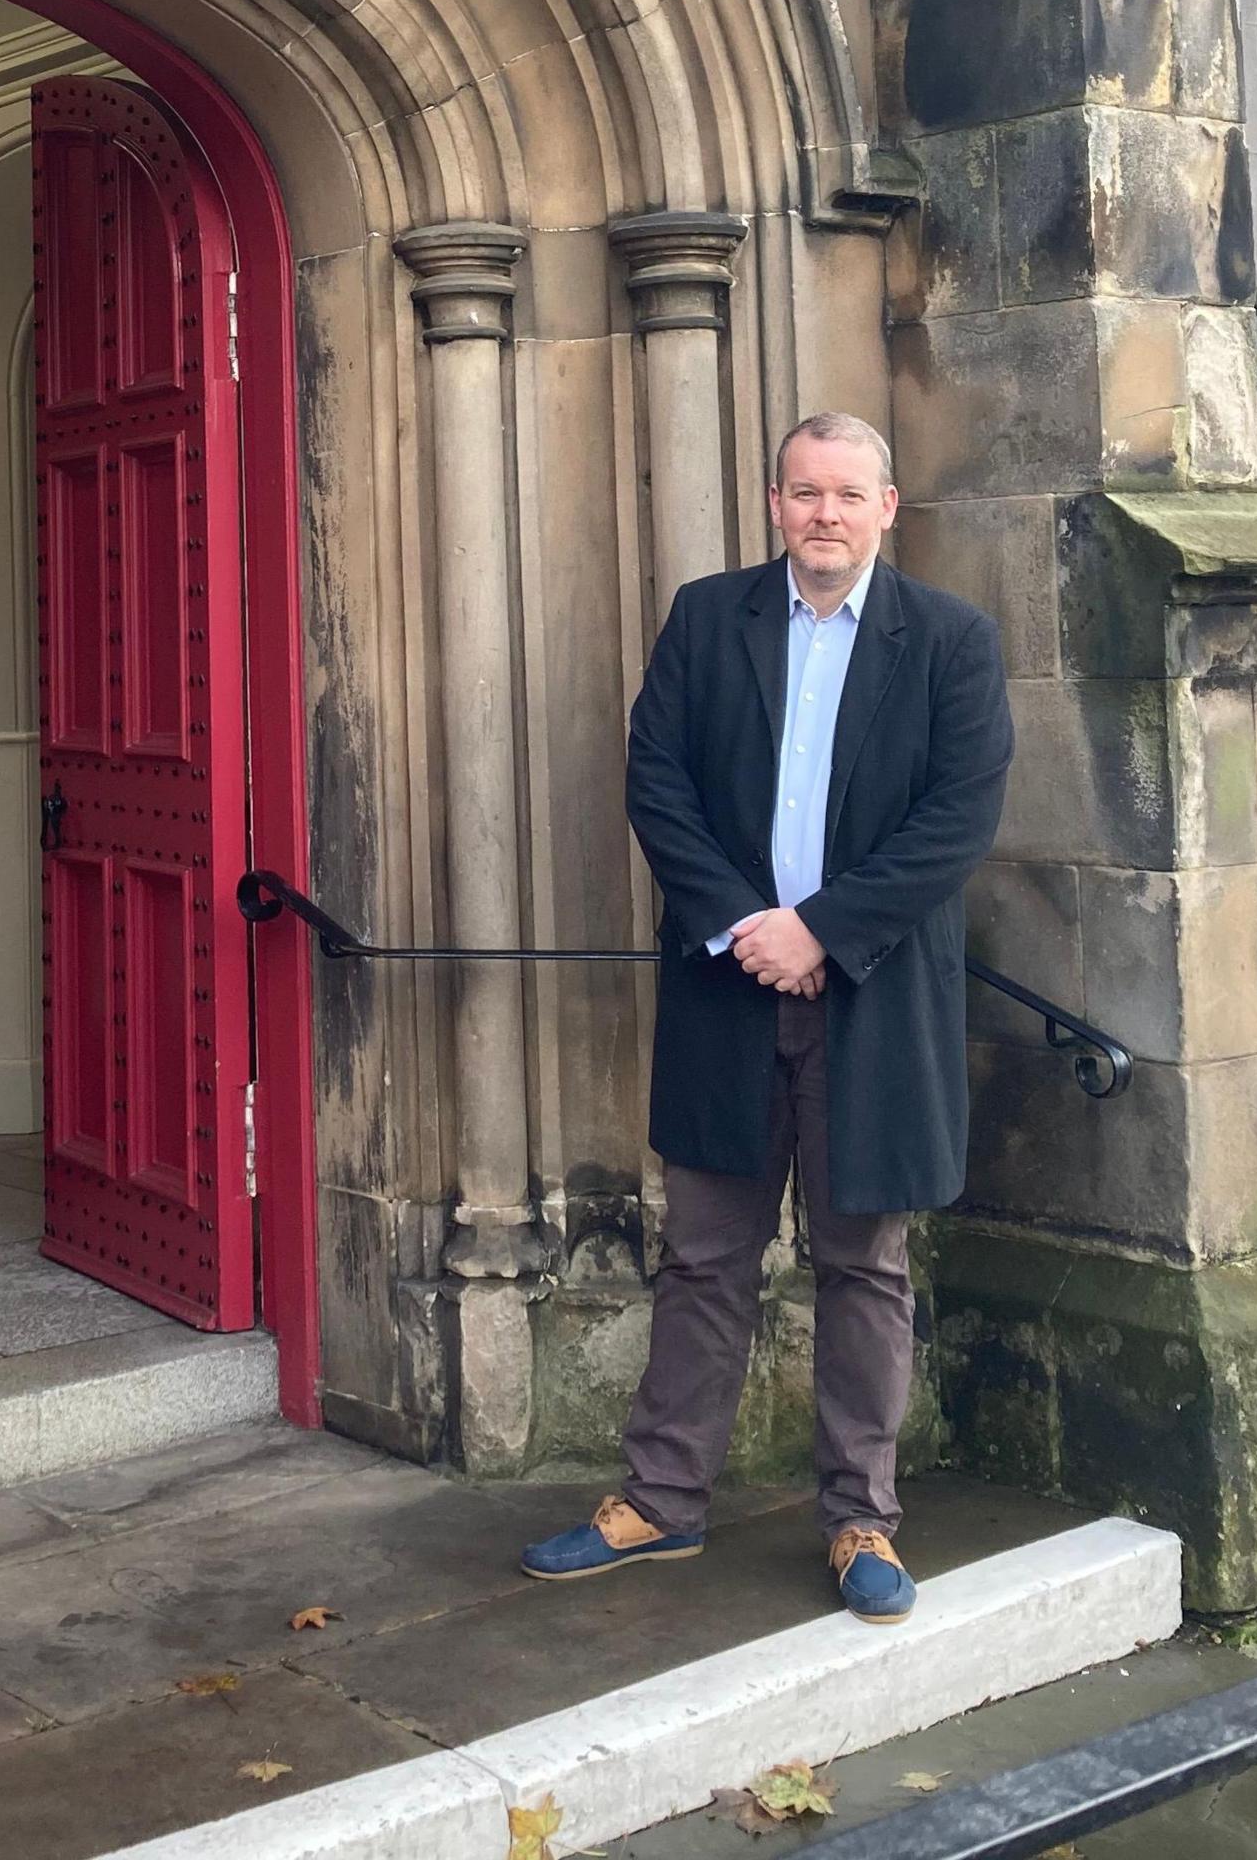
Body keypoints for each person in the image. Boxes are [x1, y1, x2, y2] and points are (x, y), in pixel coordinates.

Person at [521, 411, 1013, 1622]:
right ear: (774, 502)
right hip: (724, 990)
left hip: (873, 998)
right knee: (702, 1255)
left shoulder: (948, 638)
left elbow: (956, 818)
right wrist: (749, 924)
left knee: (862, 1264)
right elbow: (657, 779)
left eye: (848, 494)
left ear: (887, 507)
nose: (825, 514)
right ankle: (660, 1498)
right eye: (804, 493)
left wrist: (822, 932)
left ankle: (860, 1518)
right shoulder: (707, 616)